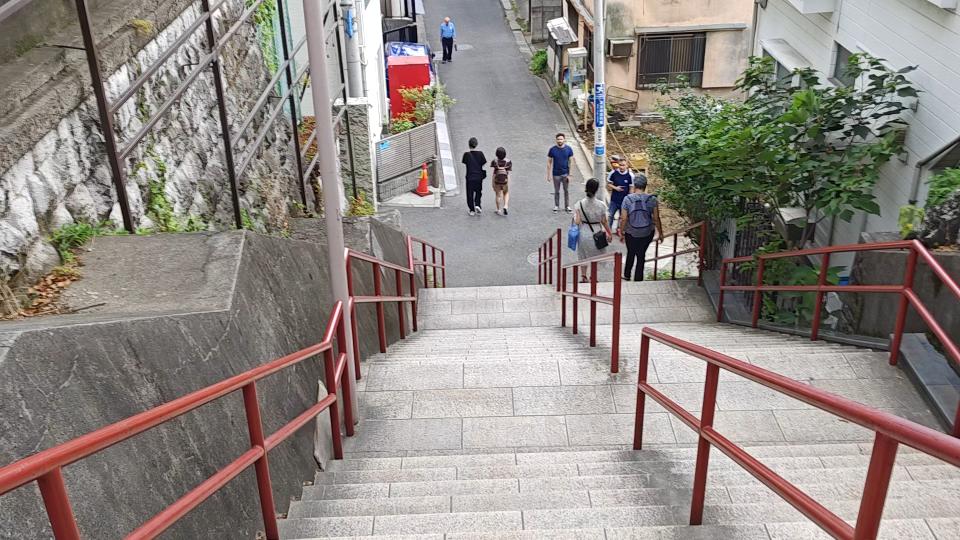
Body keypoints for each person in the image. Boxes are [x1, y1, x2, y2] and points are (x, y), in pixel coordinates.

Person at [619, 174, 664, 281]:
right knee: (641, 254)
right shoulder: (652, 199)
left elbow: (623, 218)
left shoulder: (627, 199)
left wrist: (622, 232)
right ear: (645, 185)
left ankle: (627, 275)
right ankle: (638, 278)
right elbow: (656, 218)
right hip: (647, 232)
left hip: (631, 232)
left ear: (635, 185)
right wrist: (660, 233)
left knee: (631, 252)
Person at [574, 178, 613, 282]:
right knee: (596, 256)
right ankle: (593, 277)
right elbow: (604, 221)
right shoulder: (601, 205)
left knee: (583, 255)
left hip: (583, 233)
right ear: (597, 190)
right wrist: (609, 233)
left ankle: (583, 277)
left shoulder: (579, 204)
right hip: (597, 233)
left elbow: (577, 222)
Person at [547, 133, 575, 214]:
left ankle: (567, 206)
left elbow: (571, 162)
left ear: (564, 139)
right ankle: (556, 206)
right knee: (557, 191)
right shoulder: (552, 150)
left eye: (561, 139)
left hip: (565, 174)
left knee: (566, 191)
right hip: (556, 174)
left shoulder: (568, 149)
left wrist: (570, 174)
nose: (560, 141)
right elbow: (549, 163)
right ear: (556, 140)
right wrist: (548, 175)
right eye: (558, 139)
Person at [606, 157, 634, 233]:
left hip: (624, 201)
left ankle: (619, 229)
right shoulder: (613, 173)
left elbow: (631, 188)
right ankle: (608, 230)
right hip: (614, 199)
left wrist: (630, 199)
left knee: (622, 217)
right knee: (610, 215)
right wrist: (615, 188)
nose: (621, 167)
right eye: (620, 165)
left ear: (627, 165)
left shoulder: (630, 175)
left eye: (623, 165)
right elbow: (608, 183)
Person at [461, 137, 486, 216]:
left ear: (469, 145)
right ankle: (478, 204)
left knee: (470, 193)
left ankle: (471, 209)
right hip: (479, 176)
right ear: (476, 144)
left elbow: (464, 162)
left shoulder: (466, 155)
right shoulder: (481, 154)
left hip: (470, 176)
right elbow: (483, 163)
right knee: (478, 191)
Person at [490, 147, 512, 216]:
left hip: (497, 179)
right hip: (505, 179)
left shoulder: (494, 161)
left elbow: (491, 166)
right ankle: (505, 205)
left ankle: (498, 209)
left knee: (498, 194)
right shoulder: (508, 162)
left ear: (496, 154)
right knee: (506, 192)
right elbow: (510, 169)